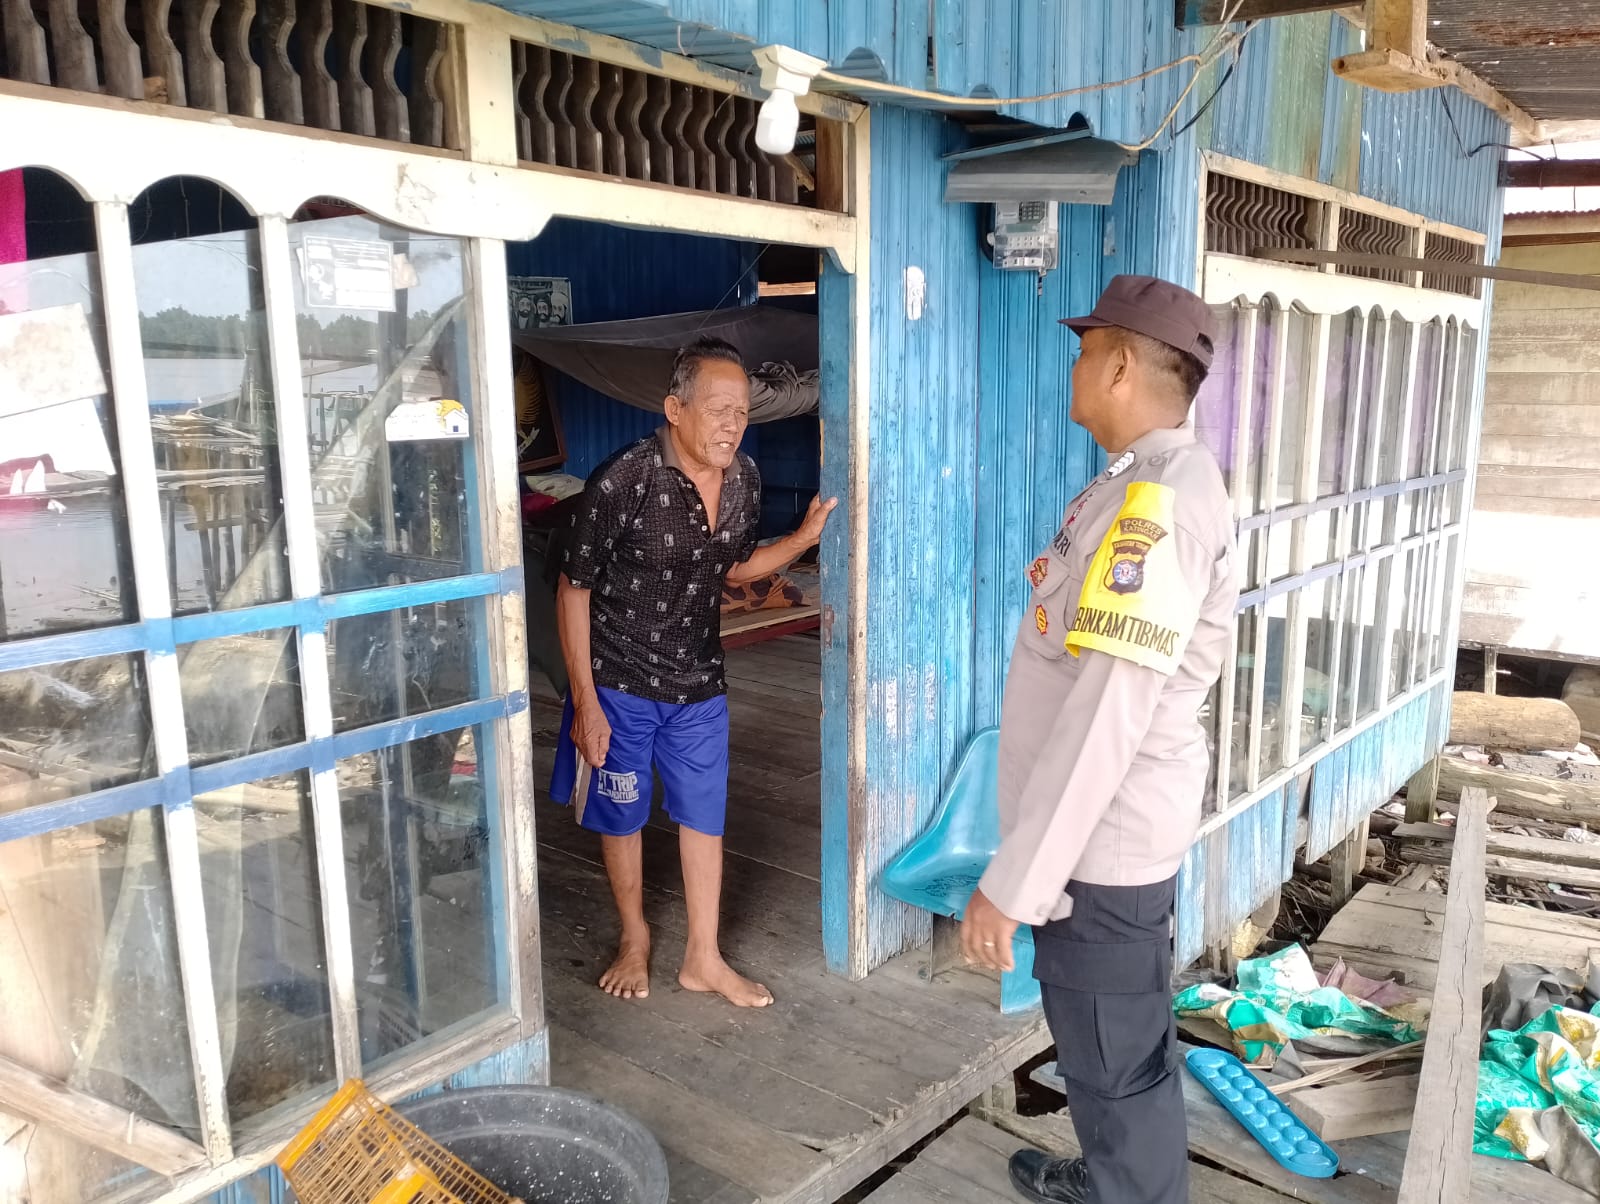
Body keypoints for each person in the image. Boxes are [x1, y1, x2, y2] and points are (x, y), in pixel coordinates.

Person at [959, 275, 1240, 1204]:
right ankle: (1116, 1175)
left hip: (1097, 850)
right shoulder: (1139, 482)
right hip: (1105, 837)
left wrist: (1015, 886)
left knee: (1113, 1060)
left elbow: (1106, 711)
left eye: (1086, 351)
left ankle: (1129, 1188)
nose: (1075, 367)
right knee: (1115, 1048)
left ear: (1120, 363)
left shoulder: (1157, 504)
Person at [552, 335, 837, 1008]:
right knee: (620, 815)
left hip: (699, 682)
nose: (732, 423)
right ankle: (634, 939)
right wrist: (587, 706)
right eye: (717, 409)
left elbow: (733, 567)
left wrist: (799, 542)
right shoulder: (623, 481)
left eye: (741, 411)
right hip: (619, 683)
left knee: (705, 817)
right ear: (675, 408)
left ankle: (702, 959)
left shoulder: (743, 480)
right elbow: (573, 590)